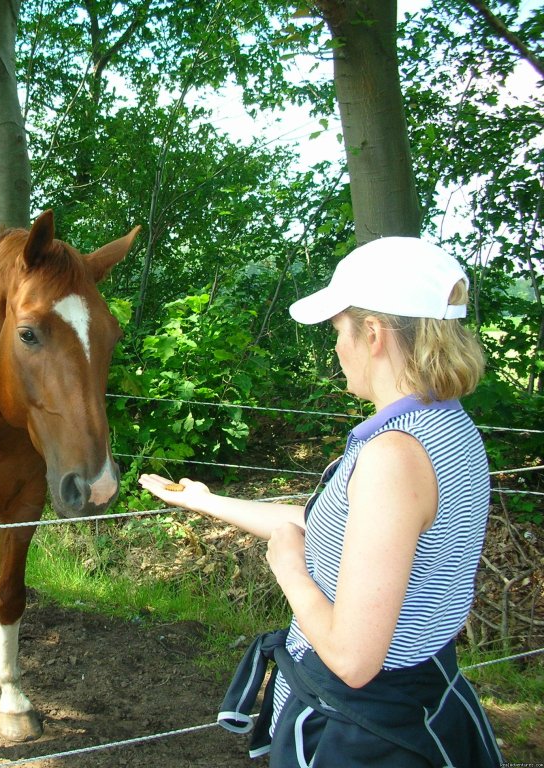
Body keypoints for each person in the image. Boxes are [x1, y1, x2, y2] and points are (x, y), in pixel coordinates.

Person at [139, 237, 503, 767]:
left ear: (373, 333)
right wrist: (207, 501)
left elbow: (354, 660)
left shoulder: (394, 457)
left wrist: (289, 570)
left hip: (361, 733)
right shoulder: (445, 424)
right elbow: (332, 526)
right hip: (414, 703)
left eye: (338, 330)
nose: (336, 348)